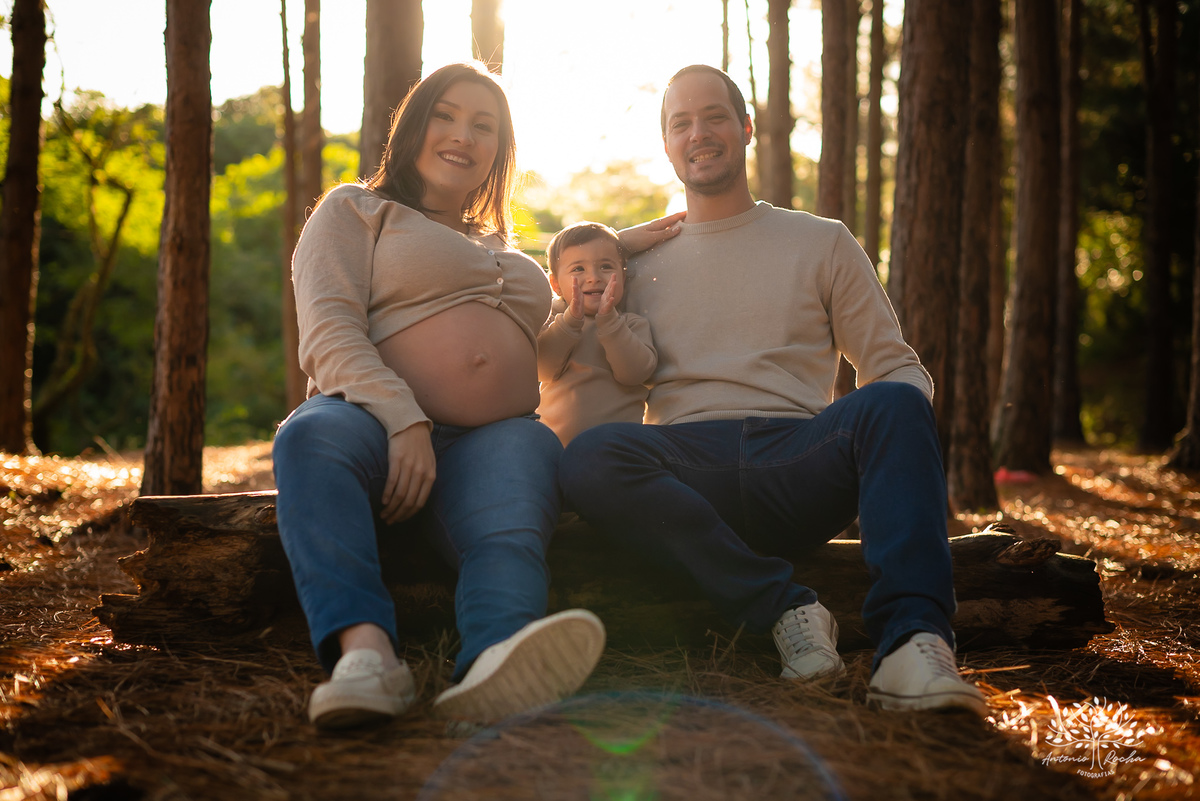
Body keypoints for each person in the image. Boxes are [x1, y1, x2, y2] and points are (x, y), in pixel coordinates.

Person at [559, 65, 988, 715]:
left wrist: (900, 449)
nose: (698, 134)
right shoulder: (632, 263)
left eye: (714, 117)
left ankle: (913, 643)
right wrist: (616, 244)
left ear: (746, 127)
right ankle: (786, 607)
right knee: (590, 455)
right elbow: (547, 320)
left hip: (797, 458)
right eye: (681, 123)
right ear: (667, 143)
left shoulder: (822, 241)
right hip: (685, 463)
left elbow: (893, 366)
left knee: (897, 399)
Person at [273, 62, 654, 729]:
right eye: (446, 115)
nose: (463, 136)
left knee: (515, 496)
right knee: (307, 435)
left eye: (485, 126)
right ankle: (367, 657)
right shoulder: (354, 210)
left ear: (499, 151)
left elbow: (576, 289)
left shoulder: (507, 249)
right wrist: (403, 419)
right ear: (414, 125)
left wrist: (629, 247)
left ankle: (495, 658)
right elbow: (328, 334)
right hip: (367, 420)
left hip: (497, 435)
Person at [536, 221, 658, 445]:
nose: (594, 277)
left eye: (605, 266)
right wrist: (570, 322)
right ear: (555, 285)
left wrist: (610, 323)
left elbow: (635, 374)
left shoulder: (631, 324)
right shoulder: (552, 318)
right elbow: (542, 369)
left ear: (622, 276)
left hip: (615, 446)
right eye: (578, 269)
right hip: (551, 444)